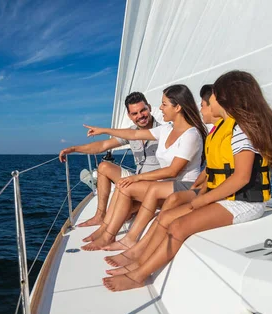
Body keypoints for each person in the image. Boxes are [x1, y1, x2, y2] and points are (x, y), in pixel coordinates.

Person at [102, 70, 272, 291]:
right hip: (225, 196)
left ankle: (139, 275)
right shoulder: (224, 129)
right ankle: (139, 260)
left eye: (213, 96)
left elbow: (241, 177)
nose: (205, 103)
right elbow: (219, 168)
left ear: (228, 98)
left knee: (179, 226)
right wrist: (201, 188)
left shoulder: (242, 131)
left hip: (243, 202)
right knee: (167, 216)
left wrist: (200, 201)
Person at [81, 84, 207, 251]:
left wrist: (136, 177)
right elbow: (133, 134)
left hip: (183, 186)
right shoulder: (166, 129)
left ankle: (110, 235)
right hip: (166, 185)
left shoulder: (191, 134)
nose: (160, 108)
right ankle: (106, 231)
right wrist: (103, 130)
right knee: (124, 185)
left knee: (127, 186)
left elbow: (173, 171)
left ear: (177, 107)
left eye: (164, 104)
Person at [58, 92, 161, 227]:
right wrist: (73, 149)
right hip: (138, 180)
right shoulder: (130, 132)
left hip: (157, 185)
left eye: (143, 110)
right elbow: (103, 145)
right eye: (135, 113)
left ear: (149, 108)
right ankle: (100, 215)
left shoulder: (164, 131)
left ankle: (142, 206)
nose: (140, 116)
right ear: (129, 116)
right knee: (104, 166)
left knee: (120, 215)